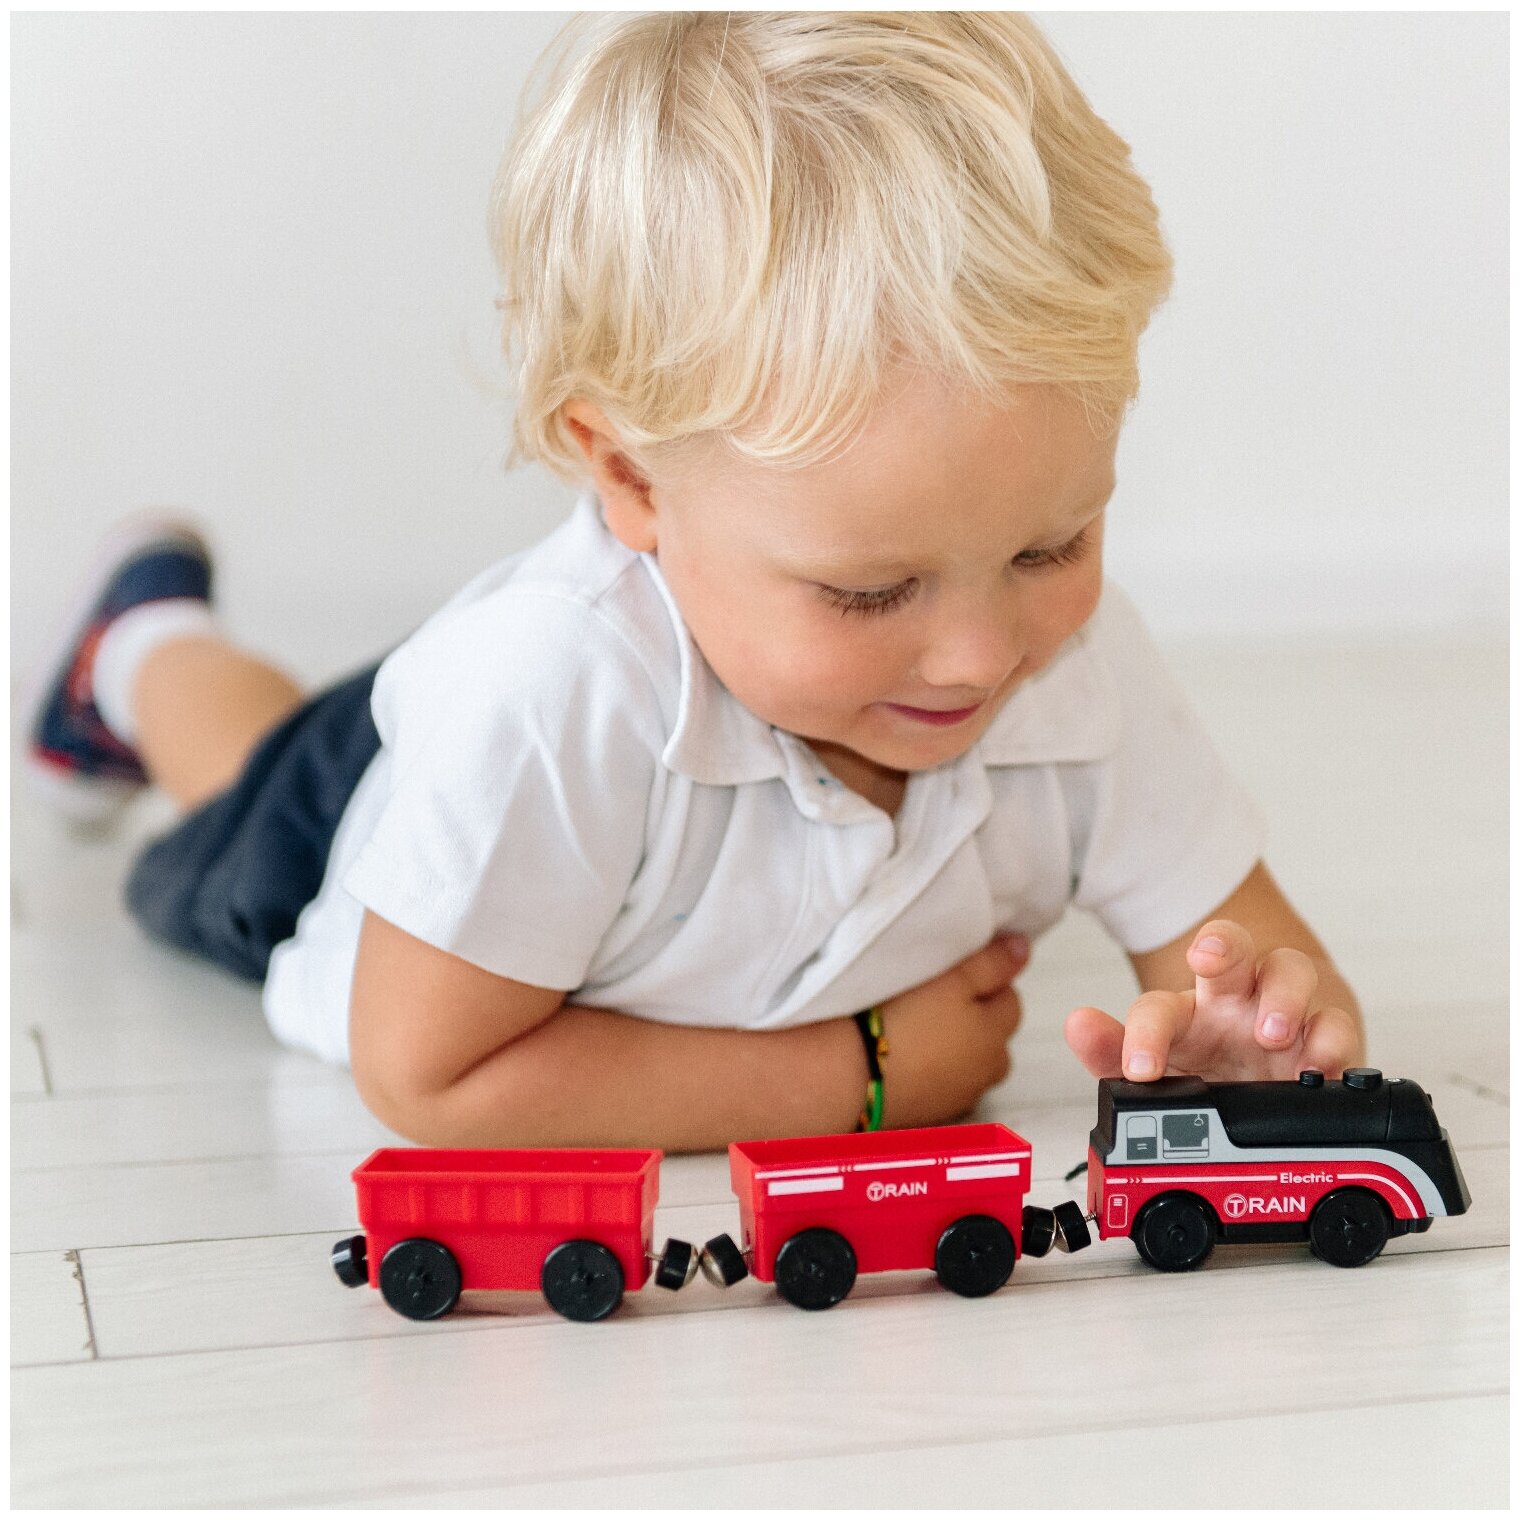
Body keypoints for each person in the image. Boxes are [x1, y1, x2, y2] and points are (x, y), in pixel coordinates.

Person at [23, 12, 1362, 1152]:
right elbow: (431, 1077)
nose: (981, 655)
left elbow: (1255, 967)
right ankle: (136, 646)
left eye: (1047, 549)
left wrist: (1260, 1055)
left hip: (555, 795)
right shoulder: (542, 710)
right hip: (379, 824)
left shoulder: (1077, 667)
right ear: (632, 479)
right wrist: (862, 1077)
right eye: (869, 591)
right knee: (247, 765)